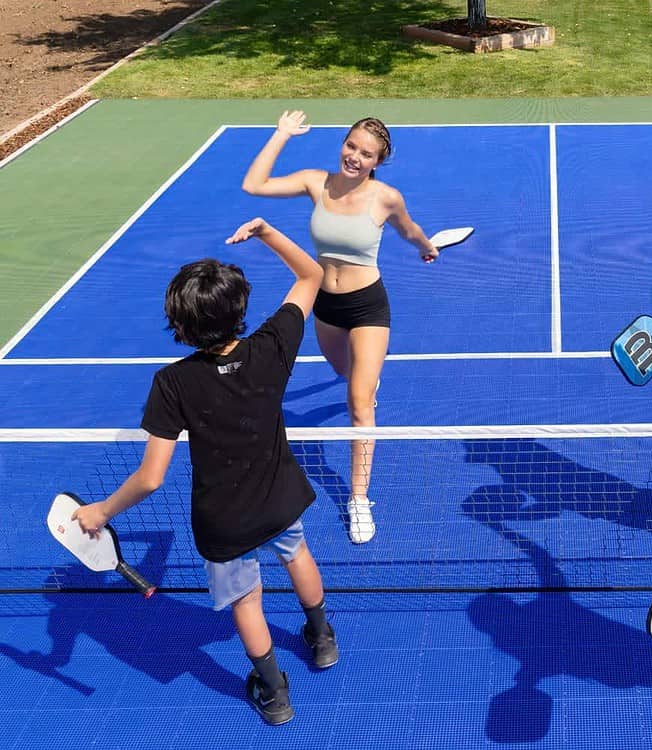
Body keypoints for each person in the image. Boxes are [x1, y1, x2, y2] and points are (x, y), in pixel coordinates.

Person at [72, 218, 336, 726]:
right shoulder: (272, 346)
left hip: (225, 521)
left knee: (247, 600)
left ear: (183, 327)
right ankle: (322, 638)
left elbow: (151, 478)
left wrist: (100, 511)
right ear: (239, 309)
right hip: (280, 497)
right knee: (297, 554)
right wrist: (268, 233)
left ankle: (275, 692)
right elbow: (310, 277)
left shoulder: (173, 384)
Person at [242, 111, 439, 545]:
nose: (354, 156)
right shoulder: (316, 182)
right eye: (351, 146)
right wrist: (280, 135)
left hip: (368, 306)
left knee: (358, 404)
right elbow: (254, 185)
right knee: (342, 373)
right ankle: (366, 382)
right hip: (326, 306)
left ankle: (359, 499)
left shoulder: (385, 197)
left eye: (365, 153)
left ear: (377, 162)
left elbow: (409, 230)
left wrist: (427, 247)